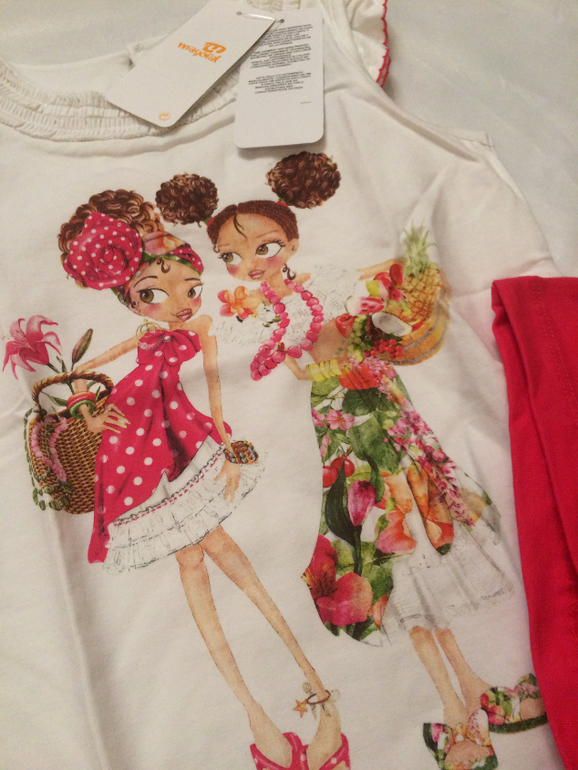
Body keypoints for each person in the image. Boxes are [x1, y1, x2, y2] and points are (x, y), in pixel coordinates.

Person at [154, 153, 547, 769]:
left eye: (264, 247)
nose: (250, 264)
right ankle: (457, 700)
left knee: (417, 537)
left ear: (291, 243)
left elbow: (367, 319)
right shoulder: (259, 314)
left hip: (382, 410)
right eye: (232, 256)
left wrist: (356, 332)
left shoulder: (327, 284)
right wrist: (307, 349)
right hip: (342, 425)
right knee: (385, 551)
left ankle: (467, 692)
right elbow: (295, 368)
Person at [54, 189, 349, 770]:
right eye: (153, 294)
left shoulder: (204, 325)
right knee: (192, 563)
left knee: (231, 562)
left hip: (181, 444)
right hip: (132, 453)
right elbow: (77, 373)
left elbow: (214, 386)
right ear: (131, 299)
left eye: (190, 288)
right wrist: (87, 411)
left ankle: (319, 696)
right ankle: (256, 716)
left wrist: (227, 446)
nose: (178, 303)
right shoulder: (144, 336)